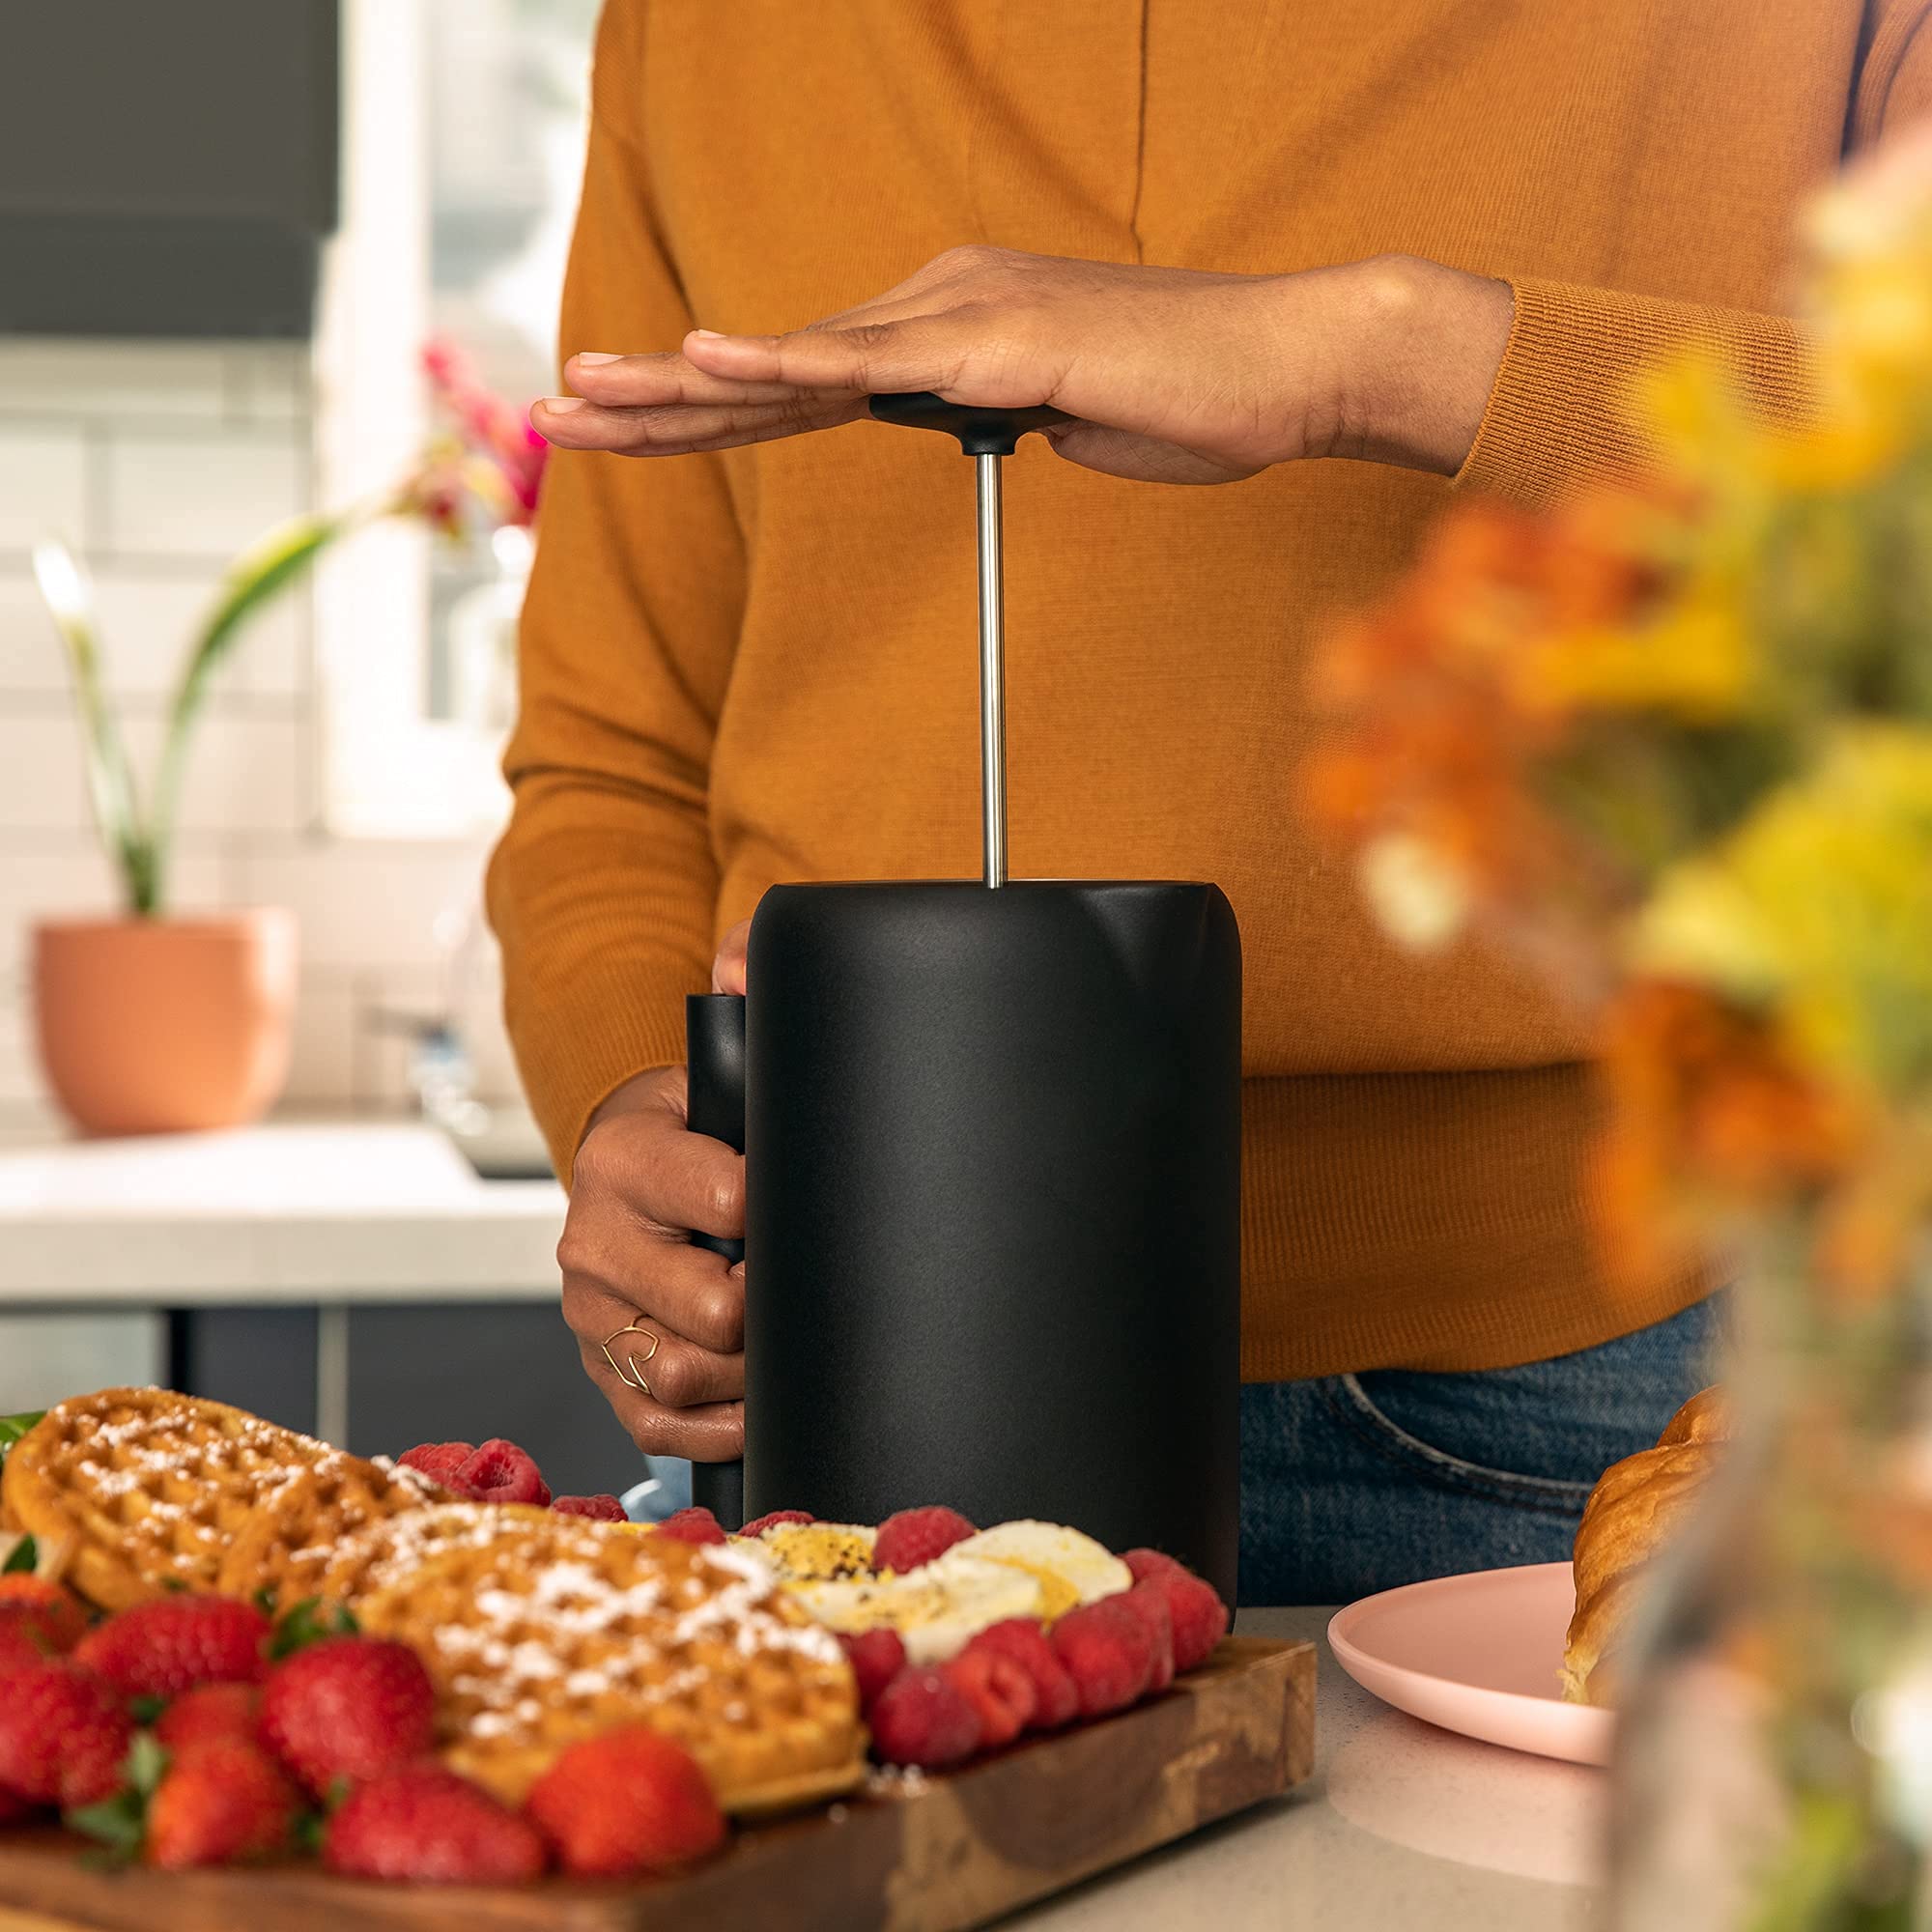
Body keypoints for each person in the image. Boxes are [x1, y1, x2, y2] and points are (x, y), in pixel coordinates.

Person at [489, 0, 1932, 1603]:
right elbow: (609, 762)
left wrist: (1379, 352)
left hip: (1594, 1399)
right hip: (851, 1348)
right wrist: (637, 1112)